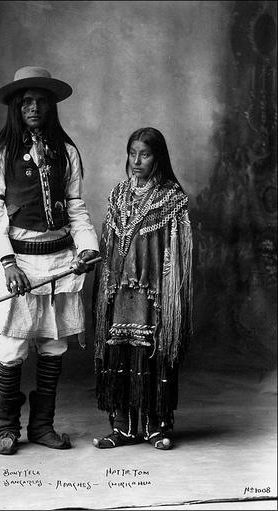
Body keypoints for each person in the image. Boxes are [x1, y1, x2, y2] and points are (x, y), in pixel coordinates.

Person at [0, 66, 99, 455]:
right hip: (21, 263)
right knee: (12, 349)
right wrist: (8, 262)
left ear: (51, 107)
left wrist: (85, 247)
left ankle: (44, 426)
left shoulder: (66, 152)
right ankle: (8, 428)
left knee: (53, 346)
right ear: (15, 106)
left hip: (59, 260)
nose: (34, 107)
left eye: (41, 101)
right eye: (26, 101)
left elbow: (77, 207)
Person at [93, 127, 192, 450]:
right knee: (120, 350)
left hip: (155, 293)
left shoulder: (171, 199)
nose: (136, 161)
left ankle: (156, 428)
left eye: (145, 154)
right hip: (120, 291)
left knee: (152, 353)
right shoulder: (118, 196)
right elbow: (109, 244)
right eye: (132, 153)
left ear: (157, 157)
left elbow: (177, 253)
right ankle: (122, 427)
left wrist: (168, 289)